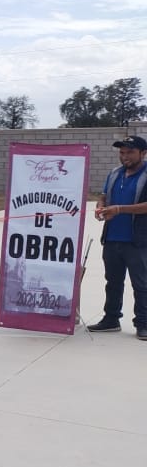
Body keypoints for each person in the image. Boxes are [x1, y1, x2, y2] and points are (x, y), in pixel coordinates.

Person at [87, 135, 147, 339]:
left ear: (143, 153)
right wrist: (100, 206)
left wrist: (120, 209)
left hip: (138, 241)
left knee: (141, 284)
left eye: (130, 152)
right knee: (112, 281)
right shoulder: (114, 173)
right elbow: (104, 195)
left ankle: (143, 324)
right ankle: (111, 319)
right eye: (122, 152)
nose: (125, 156)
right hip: (112, 238)